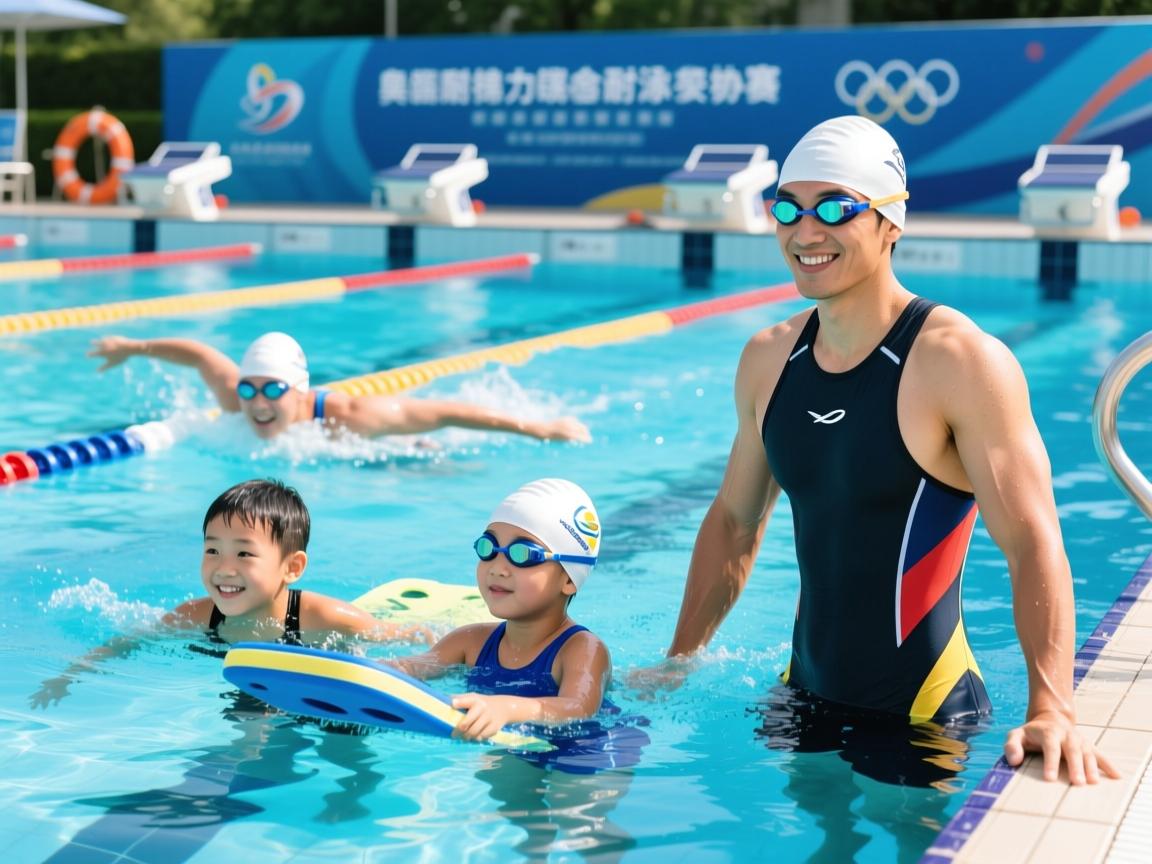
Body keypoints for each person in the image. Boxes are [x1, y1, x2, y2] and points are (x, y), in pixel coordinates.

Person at [662, 115, 1117, 785]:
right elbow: (734, 522)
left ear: (890, 222)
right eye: (788, 207)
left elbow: (1032, 540)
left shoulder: (959, 362)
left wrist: (1053, 706)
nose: (805, 231)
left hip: (924, 714)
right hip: (803, 695)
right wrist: (679, 661)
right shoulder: (768, 359)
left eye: (836, 209)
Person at [31, 478, 426, 707]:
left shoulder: (323, 618)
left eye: (244, 553)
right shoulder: (196, 615)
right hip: (261, 683)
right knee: (246, 714)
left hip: (327, 683)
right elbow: (129, 641)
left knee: (344, 735)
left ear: (292, 568)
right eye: (212, 550)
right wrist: (69, 677)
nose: (224, 568)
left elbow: (412, 639)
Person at [389, 478, 612, 742]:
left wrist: (508, 708)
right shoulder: (469, 641)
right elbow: (414, 667)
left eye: (523, 555)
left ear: (568, 579)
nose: (497, 567)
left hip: (585, 755)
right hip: (512, 747)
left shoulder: (582, 649)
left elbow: (579, 708)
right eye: (489, 548)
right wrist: (384, 669)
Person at [88, 331, 591, 443]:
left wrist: (540, 428)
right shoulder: (236, 398)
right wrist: (132, 346)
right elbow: (199, 354)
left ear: (300, 393)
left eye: (272, 391)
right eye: (249, 390)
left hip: (390, 448)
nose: (258, 403)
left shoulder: (349, 414)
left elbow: (446, 412)